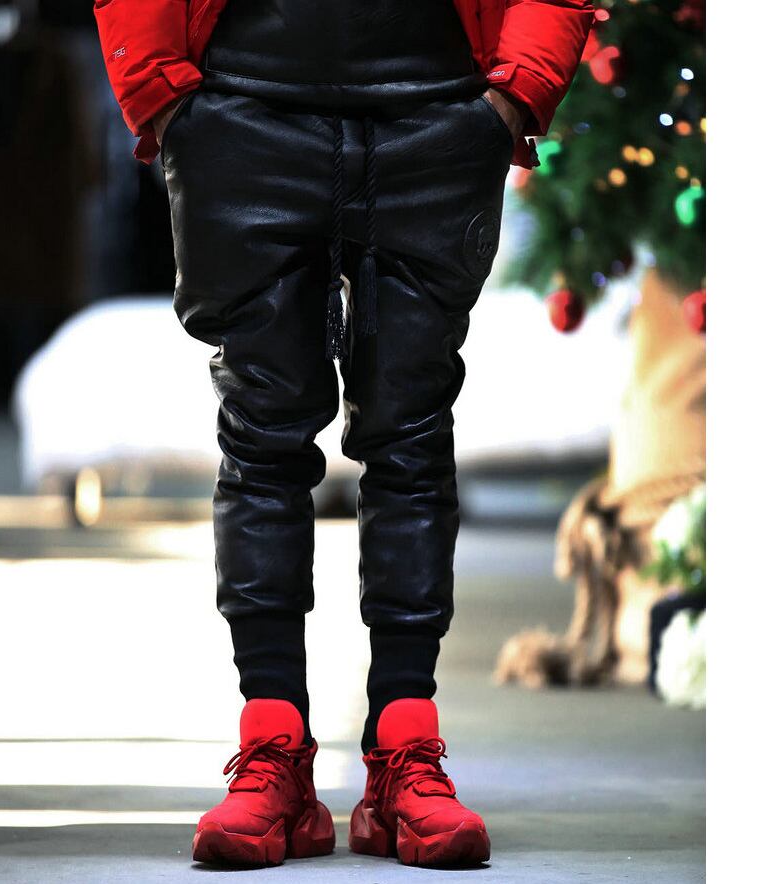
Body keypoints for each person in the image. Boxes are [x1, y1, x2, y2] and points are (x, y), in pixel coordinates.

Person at [94, 0, 593, 868]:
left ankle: (405, 749)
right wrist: (163, 97)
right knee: (262, 436)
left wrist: (516, 93)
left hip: (438, 111)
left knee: (411, 435)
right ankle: (273, 750)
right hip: (242, 109)